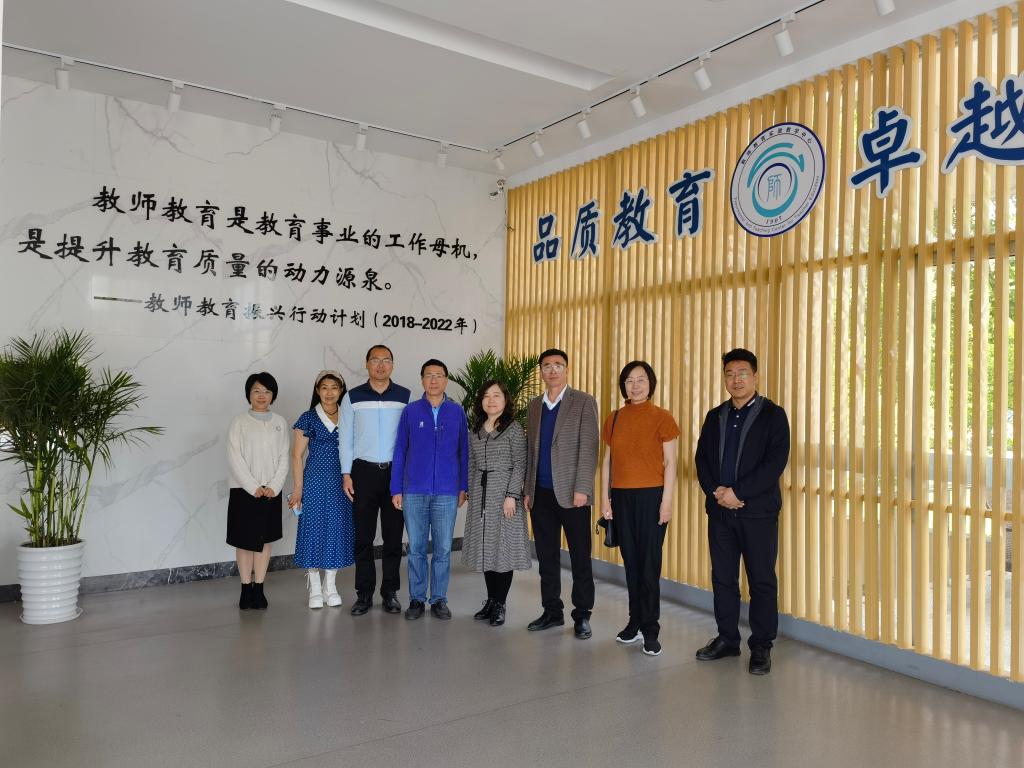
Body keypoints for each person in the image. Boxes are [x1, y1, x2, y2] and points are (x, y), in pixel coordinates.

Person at [694, 348, 790, 675]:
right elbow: (702, 460)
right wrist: (718, 493)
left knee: (761, 580)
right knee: (723, 579)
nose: (736, 380)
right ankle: (727, 639)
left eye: (742, 373)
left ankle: (761, 646)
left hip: (758, 514)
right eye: (730, 374)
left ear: (755, 376)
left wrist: (738, 493)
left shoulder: (773, 415)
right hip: (721, 513)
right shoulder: (715, 416)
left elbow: (774, 464)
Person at [600, 361, 679, 656]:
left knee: (649, 566)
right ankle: (634, 622)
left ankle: (650, 629)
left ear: (651, 383)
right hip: (621, 497)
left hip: (652, 498)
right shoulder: (615, 418)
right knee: (631, 564)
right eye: (630, 380)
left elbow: (671, 462)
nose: (635, 385)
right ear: (623, 385)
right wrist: (605, 499)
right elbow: (607, 462)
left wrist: (666, 502)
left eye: (641, 379)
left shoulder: (662, 417)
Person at [523, 348, 600, 639]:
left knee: (580, 557)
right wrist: (527, 489)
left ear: (566, 370)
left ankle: (582, 615)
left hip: (572, 494)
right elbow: (531, 451)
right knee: (547, 557)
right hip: (540, 494)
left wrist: (583, 488)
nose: (552, 370)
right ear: (541, 372)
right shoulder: (534, 406)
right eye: (547, 366)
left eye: (558, 365)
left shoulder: (583, 401)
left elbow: (589, 447)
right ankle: (552, 611)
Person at [390, 359, 468, 621]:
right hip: (414, 491)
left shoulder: (456, 412)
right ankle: (416, 598)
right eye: (428, 375)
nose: (433, 380)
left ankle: (439, 599)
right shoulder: (411, 411)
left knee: (443, 549)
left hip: (447, 492)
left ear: (446, 380)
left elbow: (464, 451)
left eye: (439, 375)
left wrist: (463, 486)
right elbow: (400, 451)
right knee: (416, 548)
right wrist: (396, 488)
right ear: (422, 379)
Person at [340, 344, 411, 616]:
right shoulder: (352, 397)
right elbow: (345, 438)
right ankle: (364, 594)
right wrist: (346, 473)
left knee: (393, 537)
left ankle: (390, 592)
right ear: (367, 364)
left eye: (386, 360)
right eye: (375, 360)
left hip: (395, 474)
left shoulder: (405, 396)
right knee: (363, 537)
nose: (381, 365)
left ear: (393, 364)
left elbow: (410, 439)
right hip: (363, 473)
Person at [462, 380, 531, 627]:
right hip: (480, 495)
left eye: (496, 395)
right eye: (486, 396)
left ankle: (501, 603)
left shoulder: (513, 428)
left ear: (505, 400)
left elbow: (520, 463)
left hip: (504, 496)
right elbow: (471, 462)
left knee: (502, 550)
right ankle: (490, 600)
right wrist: (470, 491)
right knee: (486, 548)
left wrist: (511, 495)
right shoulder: (476, 428)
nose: (491, 400)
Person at [289, 370, 355, 609]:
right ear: (317, 391)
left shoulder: (348, 415)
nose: (329, 392)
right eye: (324, 387)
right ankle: (315, 587)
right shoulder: (308, 417)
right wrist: (298, 489)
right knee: (313, 529)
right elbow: (297, 455)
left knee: (336, 529)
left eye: (334, 388)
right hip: (315, 482)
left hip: (342, 482)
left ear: (341, 391)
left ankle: (331, 586)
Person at [226, 372, 290, 611]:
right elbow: (234, 457)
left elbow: (285, 457)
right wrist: (253, 487)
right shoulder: (239, 422)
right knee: (244, 542)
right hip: (244, 491)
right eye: (256, 391)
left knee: (264, 541)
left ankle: (260, 588)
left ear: (273, 395)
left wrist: (274, 485)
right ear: (248, 394)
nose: (262, 396)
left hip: (271, 491)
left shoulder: (280, 422)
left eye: (266, 391)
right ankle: (245, 589)